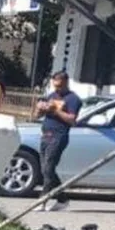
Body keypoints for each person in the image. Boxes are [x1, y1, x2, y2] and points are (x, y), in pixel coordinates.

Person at [33, 71, 82, 211]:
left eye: (59, 86)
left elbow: (72, 120)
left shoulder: (73, 99)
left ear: (66, 83)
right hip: (46, 134)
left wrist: (56, 110)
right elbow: (37, 115)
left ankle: (42, 200)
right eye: (55, 86)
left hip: (58, 135)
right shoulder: (51, 96)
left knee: (49, 167)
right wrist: (39, 109)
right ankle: (62, 198)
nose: (57, 89)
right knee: (45, 169)